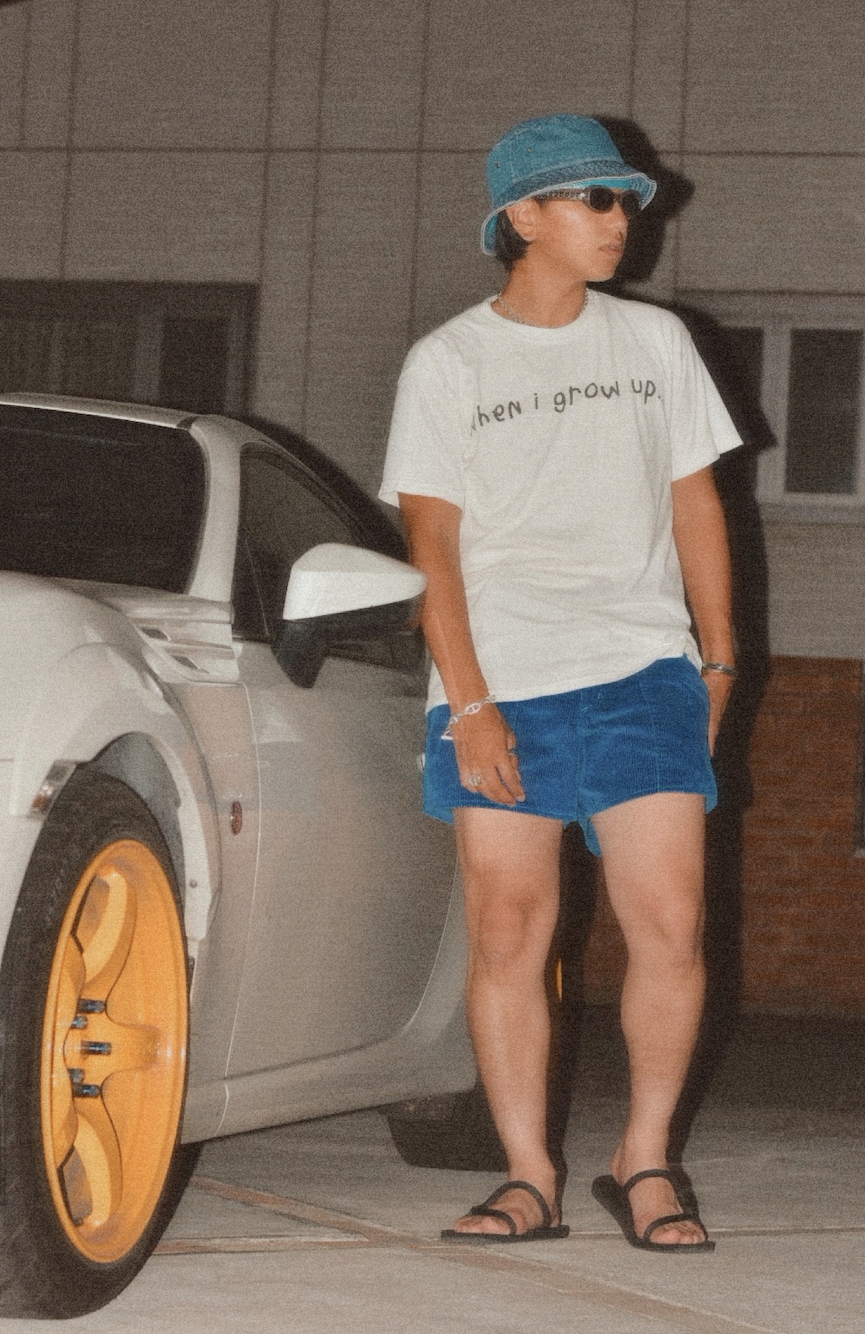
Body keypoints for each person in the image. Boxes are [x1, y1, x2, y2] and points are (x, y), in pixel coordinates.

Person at [380, 114, 741, 1251]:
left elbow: (694, 502)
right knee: (509, 932)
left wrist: (720, 658)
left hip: (643, 669)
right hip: (503, 683)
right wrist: (470, 702)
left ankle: (646, 1159)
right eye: (595, 199)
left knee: (669, 926)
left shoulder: (655, 342)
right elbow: (432, 548)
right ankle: (528, 1173)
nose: (619, 220)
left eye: (623, 200)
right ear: (523, 216)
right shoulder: (448, 362)